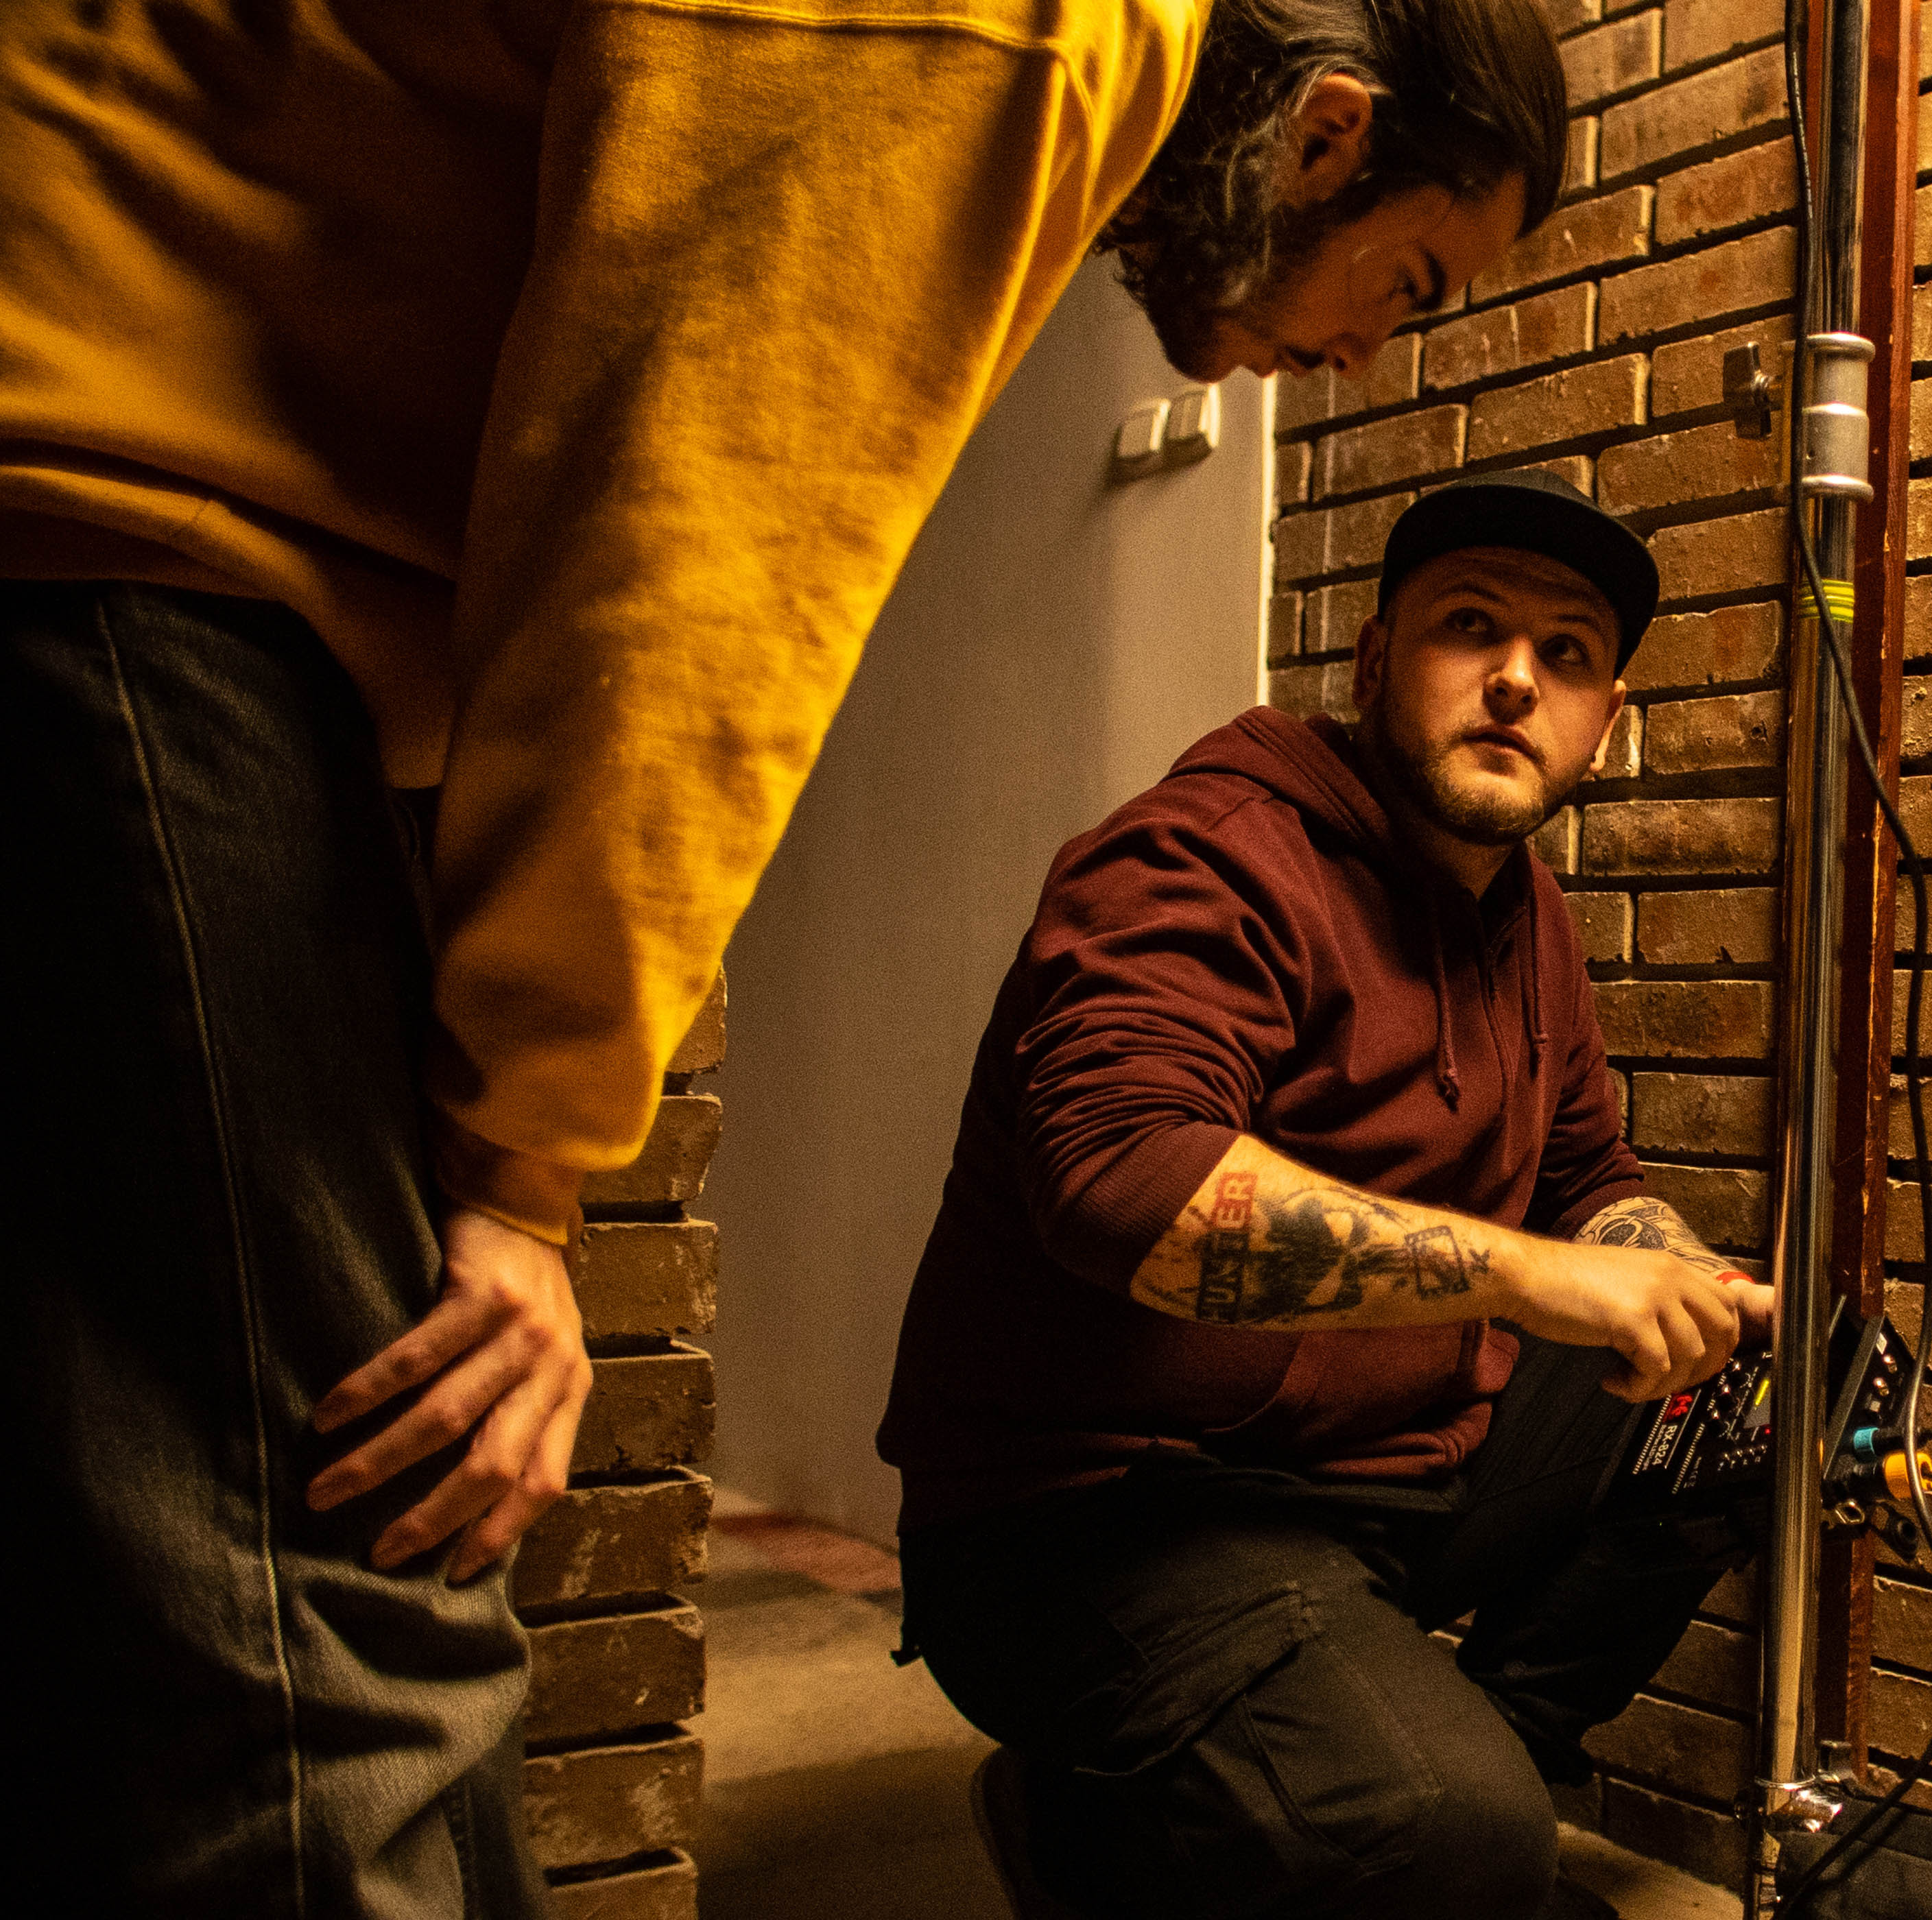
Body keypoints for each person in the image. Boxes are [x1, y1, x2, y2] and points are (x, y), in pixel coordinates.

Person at [0, 0, 1564, 1910]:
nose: (1361, 356)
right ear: (1326, 134)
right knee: (323, 1616)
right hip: (118, 553)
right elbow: (689, 574)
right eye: (1406, 286)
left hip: (240, 598)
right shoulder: (1018, 34)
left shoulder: (1521, 926)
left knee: (326, 1585)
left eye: (1570, 662)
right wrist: (519, 1170)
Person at [876, 470, 1768, 1920]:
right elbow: (1120, 1180)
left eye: (1566, 654)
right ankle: (1199, 1824)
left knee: (1769, 1390)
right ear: (1371, 663)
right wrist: (1530, 1275)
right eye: (1470, 627)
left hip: (1378, 1481)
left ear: (1605, 723)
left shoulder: (1524, 914)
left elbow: (1588, 1177)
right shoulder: (1202, 854)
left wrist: (1673, 1270)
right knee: (1445, 1832)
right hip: (1092, 1523)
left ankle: (1448, 1789)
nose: (1516, 679)